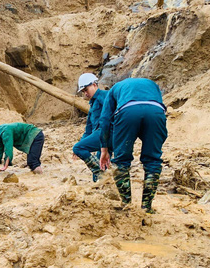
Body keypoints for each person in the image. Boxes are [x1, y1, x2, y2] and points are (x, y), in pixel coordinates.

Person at [98, 78, 168, 213]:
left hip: (127, 112)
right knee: (153, 161)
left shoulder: (114, 89)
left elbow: (105, 119)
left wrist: (104, 148)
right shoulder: (152, 84)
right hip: (156, 112)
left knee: (121, 161)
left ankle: (126, 205)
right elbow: (158, 111)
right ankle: (146, 207)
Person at [72, 73, 110, 182]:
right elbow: (88, 129)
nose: (85, 93)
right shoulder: (92, 105)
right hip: (100, 139)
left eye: (86, 90)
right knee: (99, 173)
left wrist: (80, 146)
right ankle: (103, 185)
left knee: (78, 148)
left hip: (107, 135)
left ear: (94, 85)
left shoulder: (106, 96)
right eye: (83, 91)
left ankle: (101, 175)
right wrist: (82, 142)